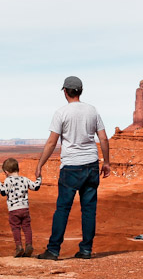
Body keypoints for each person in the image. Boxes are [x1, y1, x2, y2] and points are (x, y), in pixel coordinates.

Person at [35, 76, 111, 260]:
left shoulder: (61, 113)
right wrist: (106, 162)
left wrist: (40, 165)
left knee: (62, 209)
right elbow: (103, 138)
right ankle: (86, 249)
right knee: (89, 210)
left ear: (65, 91)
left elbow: (52, 142)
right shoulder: (92, 111)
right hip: (91, 165)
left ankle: (53, 250)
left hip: (70, 167)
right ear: (80, 91)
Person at [0, 158, 42, 257]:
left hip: (13, 210)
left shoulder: (8, 180)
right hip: (25, 208)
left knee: (16, 228)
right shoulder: (24, 179)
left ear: (6, 172)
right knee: (27, 227)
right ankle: (29, 245)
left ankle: (19, 247)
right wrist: (39, 178)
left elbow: (3, 192)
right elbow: (35, 187)